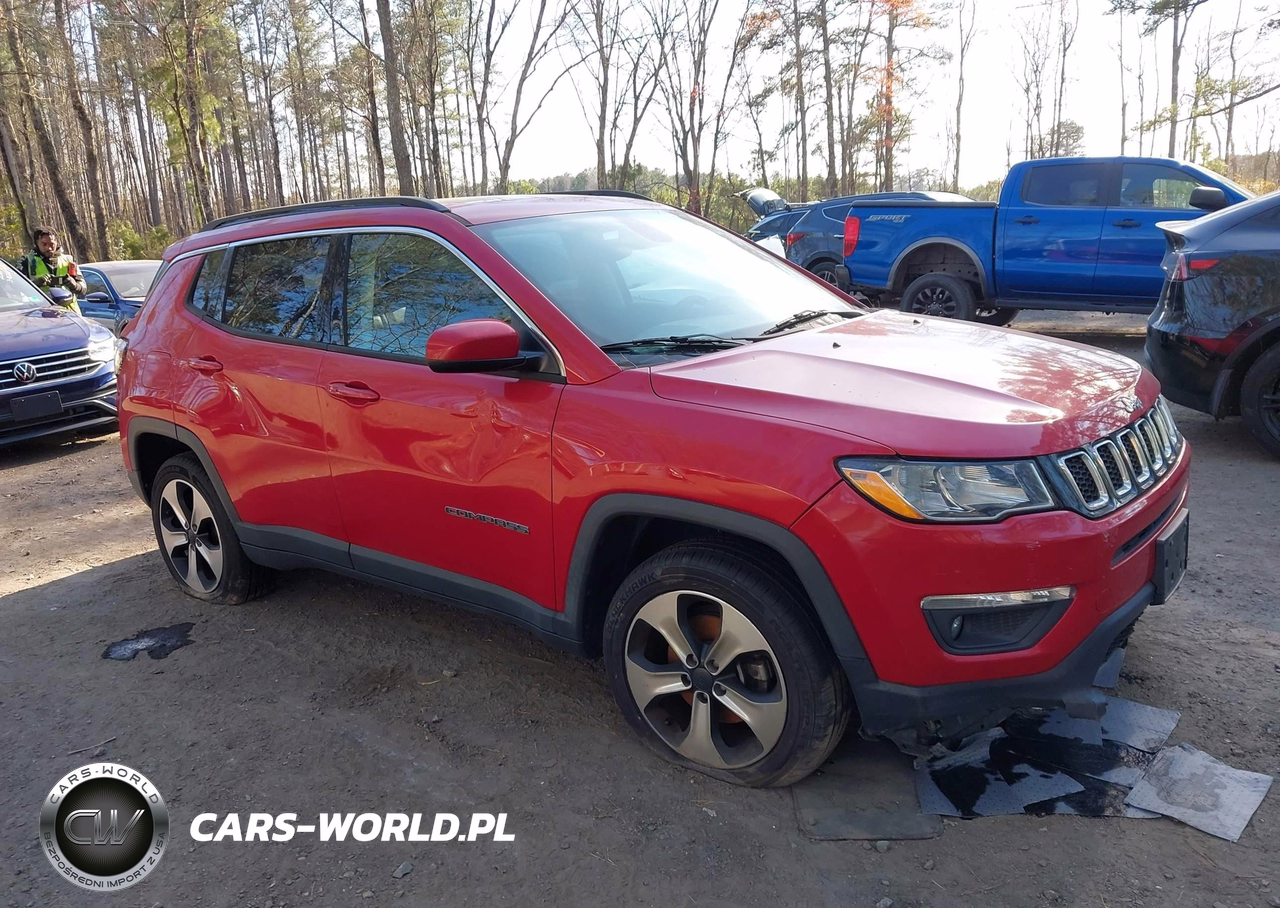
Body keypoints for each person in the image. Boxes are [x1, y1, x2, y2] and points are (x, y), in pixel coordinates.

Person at [20, 226, 85, 314]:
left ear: (57, 242)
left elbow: (83, 289)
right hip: (41, 316)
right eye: (44, 244)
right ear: (37, 243)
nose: (49, 248)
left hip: (72, 315)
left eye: (52, 244)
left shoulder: (69, 260)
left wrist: (74, 285)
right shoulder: (27, 262)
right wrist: (35, 284)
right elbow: (18, 291)